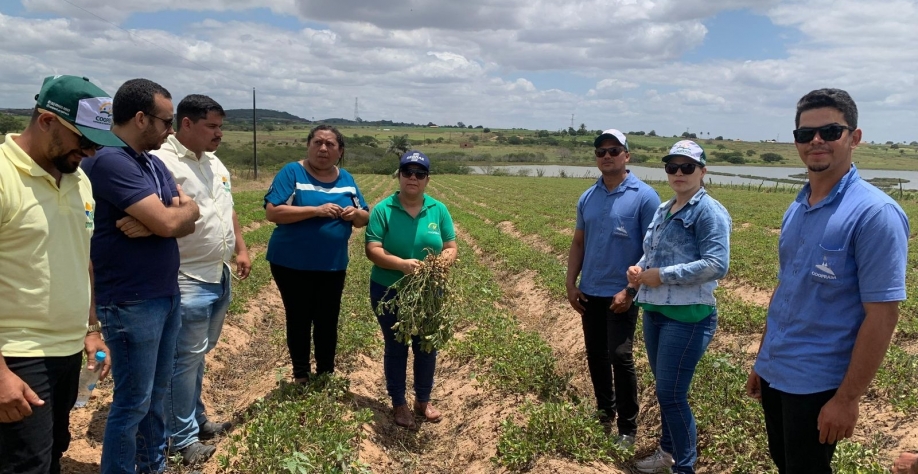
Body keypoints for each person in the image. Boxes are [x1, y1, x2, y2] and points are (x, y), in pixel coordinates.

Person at [746, 89, 909, 474]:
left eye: (830, 131)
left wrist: (847, 398)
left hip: (818, 385)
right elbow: (787, 289)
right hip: (776, 371)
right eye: (806, 134)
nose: (816, 141)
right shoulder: (797, 207)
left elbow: (882, 316)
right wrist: (763, 359)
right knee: (785, 463)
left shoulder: (875, 214)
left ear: (854, 137)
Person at [0, 75, 122, 474]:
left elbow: (81, 258)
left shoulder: (78, 179)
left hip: (66, 350)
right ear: (47, 121)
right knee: (26, 464)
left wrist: (90, 327)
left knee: (53, 452)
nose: (89, 151)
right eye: (82, 139)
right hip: (17, 352)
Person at [81, 78, 200, 474]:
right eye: (166, 122)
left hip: (162, 294)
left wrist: (157, 224)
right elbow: (174, 217)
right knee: (132, 403)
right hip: (131, 300)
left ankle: (152, 466)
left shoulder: (151, 162)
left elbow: (189, 213)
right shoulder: (109, 160)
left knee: (154, 397)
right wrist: (167, 220)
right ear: (139, 118)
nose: (170, 130)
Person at [151, 95, 250, 466]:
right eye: (212, 126)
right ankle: (181, 439)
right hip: (184, 275)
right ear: (186, 124)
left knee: (197, 356)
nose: (219, 134)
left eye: (221, 127)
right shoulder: (162, 161)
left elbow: (228, 208)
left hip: (216, 274)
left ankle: (195, 417)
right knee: (184, 359)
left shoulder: (214, 162)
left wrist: (240, 247)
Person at [627, 140, 731, 474]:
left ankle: (683, 467)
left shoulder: (708, 211)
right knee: (665, 391)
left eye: (688, 167)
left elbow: (717, 264)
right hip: (656, 311)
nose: (679, 173)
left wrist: (664, 276)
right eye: (672, 167)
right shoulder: (663, 208)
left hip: (689, 316)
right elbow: (653, 252)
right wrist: (640, 270)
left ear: (703, 171)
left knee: (672, 394)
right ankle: (667, 455)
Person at [565, 128, 659, 446]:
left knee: (620, 356)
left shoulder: (645, 196)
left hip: (621, 294)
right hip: (590, 290)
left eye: (614, 150)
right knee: (595, 355)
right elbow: (579, 243)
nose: (607, 156)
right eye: (601, 151)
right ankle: (605, 413)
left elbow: (653, 250)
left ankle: (628, 428)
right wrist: (570, 283)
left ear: (626, 155)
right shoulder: (588, 198)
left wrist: (631, 291)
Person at [264, 125, 369, 383]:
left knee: (327, 320)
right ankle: (301, 375)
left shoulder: (346, 178)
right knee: (299, 317)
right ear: (308, 146)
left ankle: (325, 374)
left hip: (332, 265)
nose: (323, 148)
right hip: (291, 263)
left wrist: (355, 215)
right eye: (317, 142)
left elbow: (364, 216)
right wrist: (316, 210)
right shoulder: (293, 172)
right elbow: (273, 211)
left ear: (340, 151)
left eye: (330, 144)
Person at [365, 150, 458, 429]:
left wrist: (440, 263)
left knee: (426, 346)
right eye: (407, 172)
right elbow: (372, 250)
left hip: (428, 291)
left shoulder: (438, 209)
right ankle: (399, 403)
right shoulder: (383, 209)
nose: (413, 178)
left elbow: (451, 247)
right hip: (388, 290)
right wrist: (401, 265)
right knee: (396, 346)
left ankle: (423, 400)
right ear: (399, 176)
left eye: (419, 174)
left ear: (427, 179)